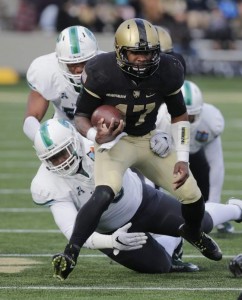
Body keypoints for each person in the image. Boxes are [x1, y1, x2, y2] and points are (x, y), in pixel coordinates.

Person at [53, 18, 222, 279]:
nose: (143, 59)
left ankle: (192, 232)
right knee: (104, 193)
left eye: (148, 53)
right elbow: (81, 116)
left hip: (148, 138)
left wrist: (183, 158)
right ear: (120, 51)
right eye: (136, 53)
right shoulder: (100, 70)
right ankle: (71, 251)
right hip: (115, 143)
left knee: (192, 193)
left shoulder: (168, 69)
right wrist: (96, 135)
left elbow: (179, 115)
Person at [32, 118, 242, 281]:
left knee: (201, 222)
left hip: (144, 201)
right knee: (159, 266)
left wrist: (159, 138)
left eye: (63, 152)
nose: (61, 161)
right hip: (110, 231)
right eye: (53, 158)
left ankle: (236, 209)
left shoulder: (99, 143)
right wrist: (110, 241)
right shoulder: (46, 184)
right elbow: (72, 230)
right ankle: (173, 239)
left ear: (75, 142)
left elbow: (136, 139)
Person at [155, 79, 234, 234]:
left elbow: (215, 164)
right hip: (161, 156)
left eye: (189, 117)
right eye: (177, 114)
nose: (183, 120)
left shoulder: (210, 121)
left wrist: (214, 204)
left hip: (192, 155)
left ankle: (217, 216)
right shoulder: (157, 119)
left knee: (201, 194)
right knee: (149, 189)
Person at [23, 25, 100, 141]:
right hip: (64, 130)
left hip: (99, 128)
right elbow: (32, 118)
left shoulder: (109, 69)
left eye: (84, 62)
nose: (78, 69)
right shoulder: (46, 70)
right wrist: (45, 141)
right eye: (72, 64)